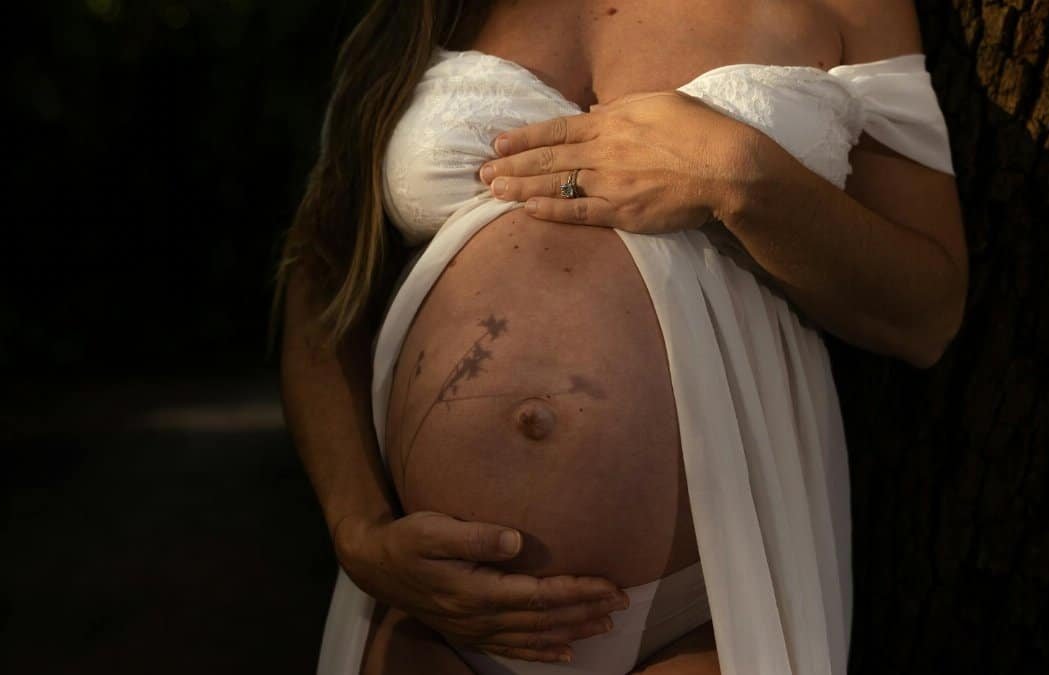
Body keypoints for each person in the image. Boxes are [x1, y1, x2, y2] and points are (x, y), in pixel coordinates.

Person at [275, 0, 967, 673]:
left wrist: (741, 177)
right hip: (437, 608)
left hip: (706, 606)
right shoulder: (425, 11)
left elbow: (926, 312)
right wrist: (357, 527)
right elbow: (325, 274)